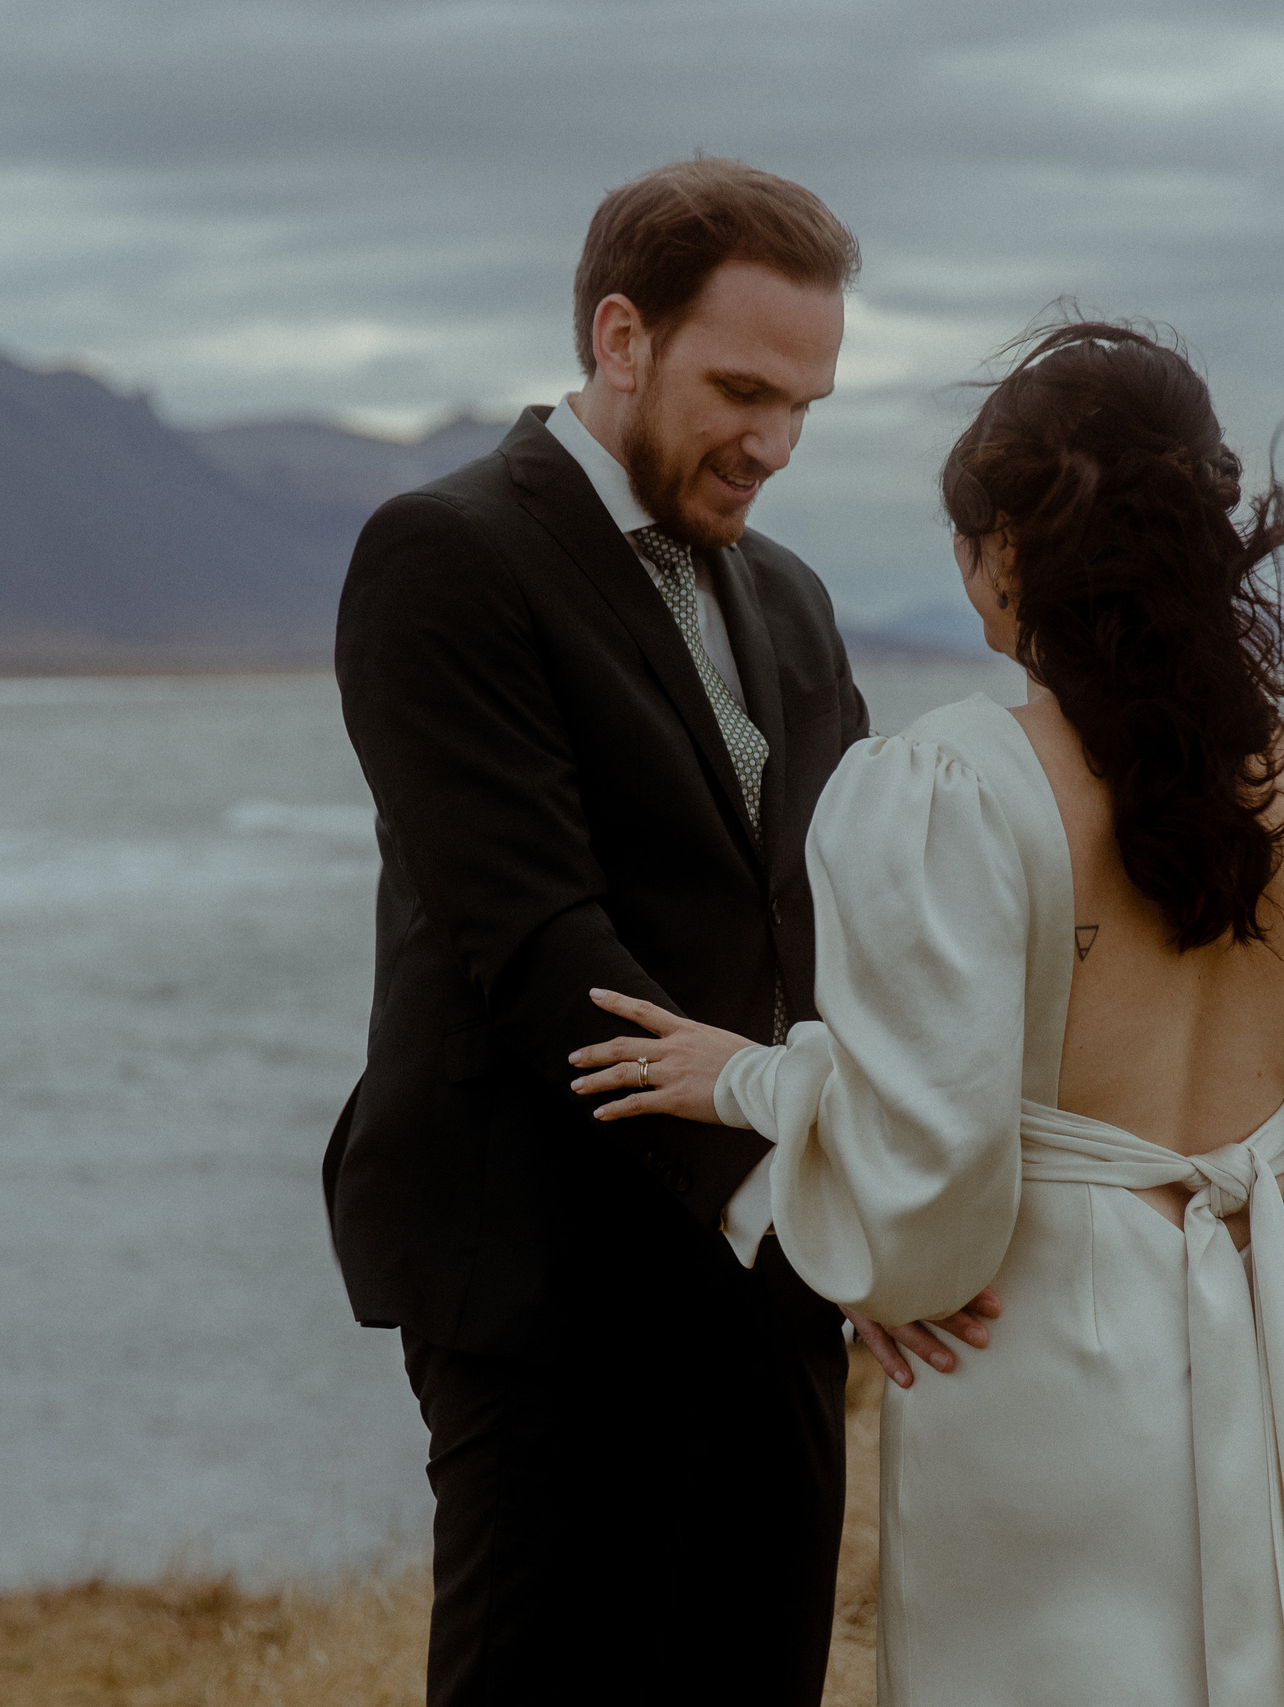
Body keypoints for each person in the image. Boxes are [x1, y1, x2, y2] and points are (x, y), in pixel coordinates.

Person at [573, 320, 1284, 1706]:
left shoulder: (951, 785)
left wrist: (761, 1084)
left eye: (969, 547)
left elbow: (924, 1204)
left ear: (1007, 552)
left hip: (1037, 1352)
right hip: (1261, 1320)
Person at [324, 158, 992, 1707]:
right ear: (621, 336)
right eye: (743, 389)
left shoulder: (797, 601)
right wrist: (798, 1195)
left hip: (772, 1281)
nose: (773, 442)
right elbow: (533, 935)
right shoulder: (444, 556)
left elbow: (846, 920)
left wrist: (875, 1196)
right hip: (546, 1272)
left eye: (807, 406)